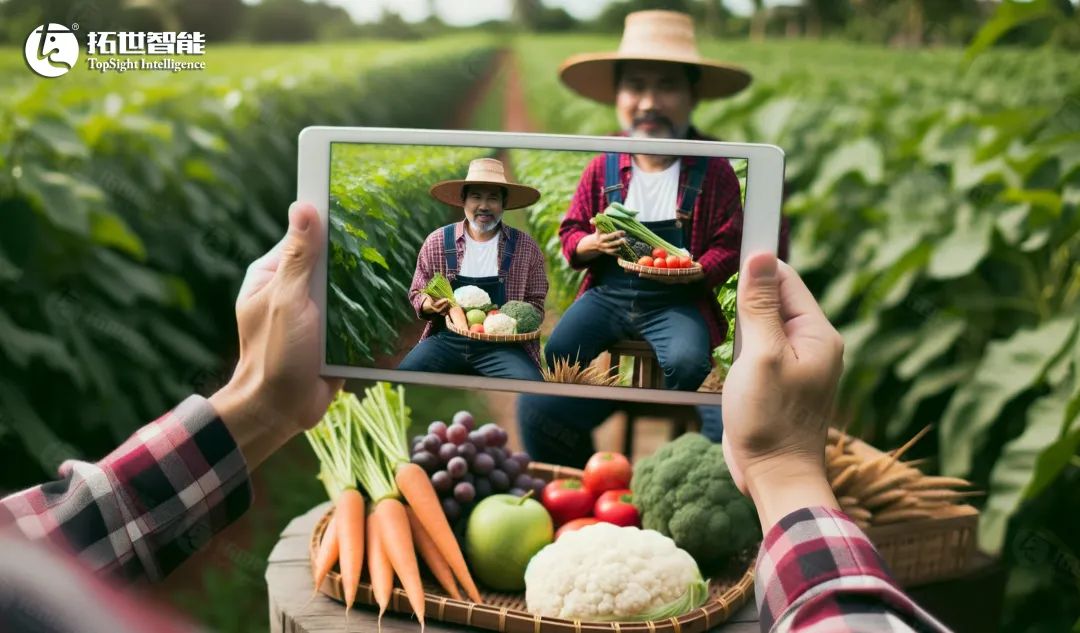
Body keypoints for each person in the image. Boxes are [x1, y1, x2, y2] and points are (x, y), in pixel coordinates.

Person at [0, 201, 949, 632]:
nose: (489, 208)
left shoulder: (701, 186)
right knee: (525, 389)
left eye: (499, 199)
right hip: (478, 328)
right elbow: (470, 279)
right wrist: (787, 464)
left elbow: (535, 301)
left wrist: (645, 279)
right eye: (481, 198)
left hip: (650, 302)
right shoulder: (452, 237)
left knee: (665, 361)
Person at [519, 9, 787, 461]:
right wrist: (588, 245)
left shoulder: (714, 169)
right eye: (636, 86)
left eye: (666, 86)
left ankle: (696, 451)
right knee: (558, 355)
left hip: (676, 301)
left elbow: (729, 242)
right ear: (620, 97)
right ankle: (580, 469)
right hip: (607, 295)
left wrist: (699, 269)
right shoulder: (602, 165)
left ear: (691, 95)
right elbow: (571, 230)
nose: (649, 102)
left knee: (686, 363)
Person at [397, 158, 548, 381]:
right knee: (403, 377)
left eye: (493, 198)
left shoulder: (525, 248)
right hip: (447, 340)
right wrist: (430, 304)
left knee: (533, 385)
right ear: (464, 200)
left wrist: (510, 321)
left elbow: (536, 303)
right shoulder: (438, 241)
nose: (484, 206)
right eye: (476, 197)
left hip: (501, 347)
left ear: (504, 203)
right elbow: (417, 292)